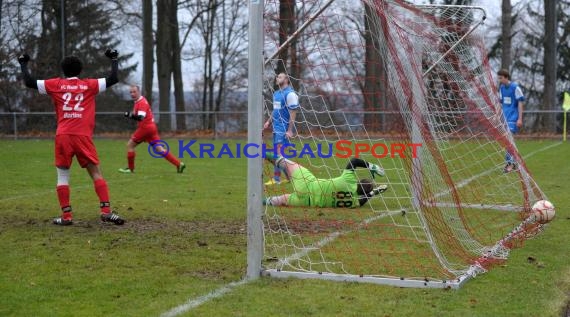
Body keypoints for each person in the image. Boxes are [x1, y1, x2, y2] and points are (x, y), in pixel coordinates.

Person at [18, 49, 125, 226]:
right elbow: (113, 78)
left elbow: (29, 82)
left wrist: (23, 63)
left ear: (63, 70)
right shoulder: (89, 85)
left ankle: (67, 216)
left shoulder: (56, 84)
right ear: (80, 70)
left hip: (63, 136)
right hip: (82, 136)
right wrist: (114, 58)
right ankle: (105, 211)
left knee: (62, 177)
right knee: (96, 173)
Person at [263, 153, 388, 208]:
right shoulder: (353, 202)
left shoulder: (348, 180)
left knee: (287, 163)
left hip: (308, 184)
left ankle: (263, 153)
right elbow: (362, 201)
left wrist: (373, 166)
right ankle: (260, 201)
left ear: (358, 181)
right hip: (308, 202)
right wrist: (374, 192)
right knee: (279, 200)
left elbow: (354, 161)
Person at [118, 85, 186, 174]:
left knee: (130, 145)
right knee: (159, 149)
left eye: (134, 92)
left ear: (139, 92)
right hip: (151, 128)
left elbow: (140, 117)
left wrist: (129, 115)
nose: (132, 94)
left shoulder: (141, 102)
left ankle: (130, 169)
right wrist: (131, 115)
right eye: (131, 92)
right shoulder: (138, 102)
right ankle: (179, 164)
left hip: (145, 128)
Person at [263, 73, 299, 185]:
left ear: (287, 79)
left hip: (283, 129)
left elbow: (293, 112)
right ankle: (290, 178)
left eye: (280, 77)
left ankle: (277, 179)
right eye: (277, 77)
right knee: (279, 154)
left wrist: (290, 130)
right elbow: (275, 110)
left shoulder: (290, 94)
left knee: (278, 154)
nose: (277, 78)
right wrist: (269, 121)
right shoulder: (277, 93)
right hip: (276, 128)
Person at [497, 69, 525, 173]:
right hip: (505, 118)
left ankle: (510, 164)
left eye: (501, 78)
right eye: (498, 78)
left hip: (513, 119)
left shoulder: (515, 88)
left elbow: (520, 103)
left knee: (508, 141)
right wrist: (498, 116)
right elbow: (501, 104)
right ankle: (514, 162)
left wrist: (520, 118)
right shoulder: (502, 88)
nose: (499, 80)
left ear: (506, 77)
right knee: (508, 141)